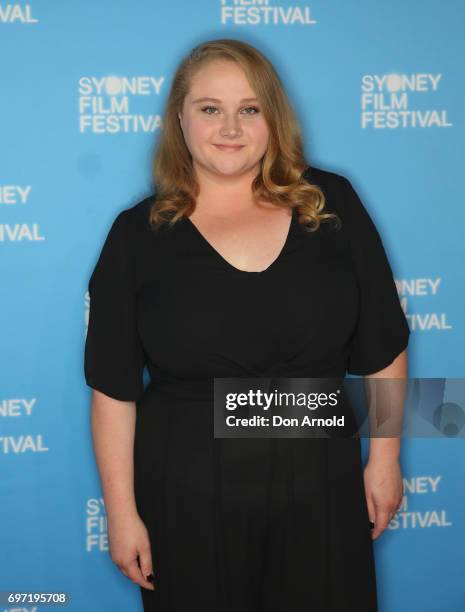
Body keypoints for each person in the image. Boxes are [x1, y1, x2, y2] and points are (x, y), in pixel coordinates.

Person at [84, 38, 410, 612]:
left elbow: (384, 347)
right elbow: (113, 390)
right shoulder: (135, 236)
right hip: (185, 495)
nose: (230, 126)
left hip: (323, 485)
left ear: (272, 119)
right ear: (180, 120)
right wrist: (122, 512)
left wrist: (385, 462)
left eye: (249, 109)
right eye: (210, 108)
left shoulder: (333, 205)